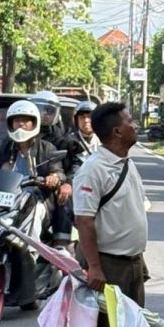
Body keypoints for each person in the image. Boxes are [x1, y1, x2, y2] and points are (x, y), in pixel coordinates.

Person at [70, 102, 147, 327]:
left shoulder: (127, 164)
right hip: (106, 263)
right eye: (130, 121)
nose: (135, 125)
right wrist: (94, 267)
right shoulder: (94, 170)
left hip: (131, 262)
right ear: (117, 131)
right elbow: (84, 221)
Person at [0, 100, 65, 240]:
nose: (21, 124)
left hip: (37, 198)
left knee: (35, 211)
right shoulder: (5, 147)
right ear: (11, 124)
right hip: (7, 197)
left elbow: (57, 170)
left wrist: (54, 177)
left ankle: (31, 249)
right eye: (17, 120)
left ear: (34, 123)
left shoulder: (46, 148)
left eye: (25, 120)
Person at [50, 100, 100, 247]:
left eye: (90, 117)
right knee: (63, 197)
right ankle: (62, 243)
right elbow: (61, 167)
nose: (86, 121)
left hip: (102, 187)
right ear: (76, 120)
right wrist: (66, 183)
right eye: (82, 117)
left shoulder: (106, 141)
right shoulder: (67, 141)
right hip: (76, 188)